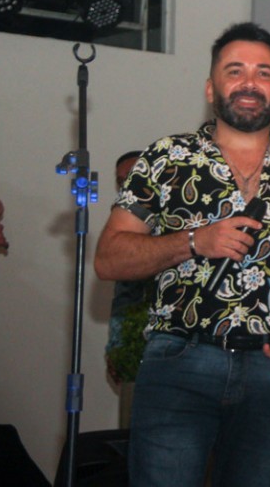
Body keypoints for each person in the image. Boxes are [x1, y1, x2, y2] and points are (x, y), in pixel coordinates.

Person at [94, 22, 270, 487]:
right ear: (210, 87)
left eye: (264, 73)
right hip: (179, 361)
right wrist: (193, 241)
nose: (249, 82)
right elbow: (108, 258)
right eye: (235, 71)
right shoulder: (166, 158)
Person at [104, 150, 154, 387]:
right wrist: (116, 346)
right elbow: (124, 293)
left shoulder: (180, 213)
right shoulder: (123, 223)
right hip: (135, 342)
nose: (126, 185)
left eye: (132, 176)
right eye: (121, 181)